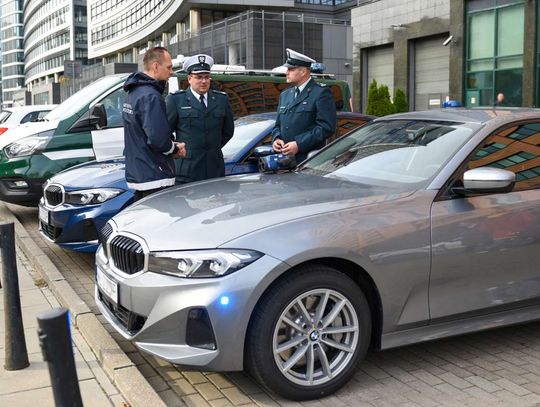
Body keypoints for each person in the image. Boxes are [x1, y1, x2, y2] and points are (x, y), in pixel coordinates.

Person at [122, 46, 186, 201]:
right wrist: (175, 148)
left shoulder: (134, 93)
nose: (171, 72)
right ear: (156, 66)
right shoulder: (151, 96)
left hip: (140, 173)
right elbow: (158, 140)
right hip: (155, 176)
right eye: (169, 67)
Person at [165, 54, 234, 184]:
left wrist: (212, 148)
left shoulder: (221, 99)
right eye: (199, 77)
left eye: (207, 77)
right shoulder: (176, 100)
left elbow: (228, 131)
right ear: (189, 78)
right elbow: (165, 132)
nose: (204, 81)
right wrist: (177, 150)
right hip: (187, 169)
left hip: (214, 167)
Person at [272, 48, 337, 163]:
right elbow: (278, 125)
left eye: (291, 69)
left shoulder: (320, 93)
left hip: (308, 161)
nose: (287, 72)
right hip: (284, 160)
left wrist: (299, 144)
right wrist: (276, 139)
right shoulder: (285, 95)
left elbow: (326, 127)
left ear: (303, 71)